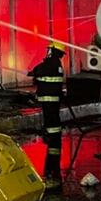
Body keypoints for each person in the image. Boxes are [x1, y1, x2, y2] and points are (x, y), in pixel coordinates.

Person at [30, 40, 67, 187]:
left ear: (52, 50)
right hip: (53, 98)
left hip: (48, 98)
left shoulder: (51, 62)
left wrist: (33, 72)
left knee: (50, 118)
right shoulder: (57, 64)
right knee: (53, 118)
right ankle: (54, 136)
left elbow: (40, 69)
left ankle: (52, 136)